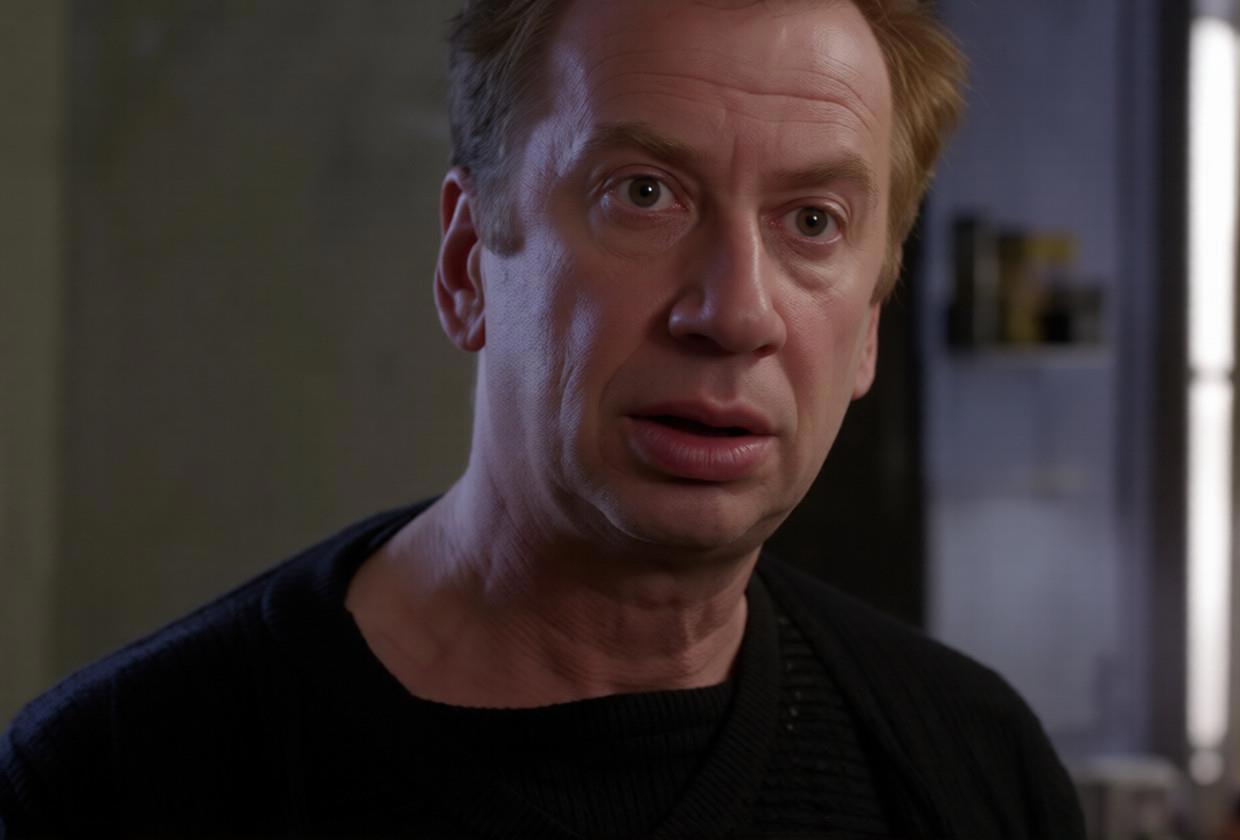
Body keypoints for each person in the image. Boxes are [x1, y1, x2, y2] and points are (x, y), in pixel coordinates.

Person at [0, 0, 1086, 837]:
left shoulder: (976, 766)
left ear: (869, 327)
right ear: (468, 263)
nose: (735, 312)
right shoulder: (114, 783)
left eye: (812, 220)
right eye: (643, 193)